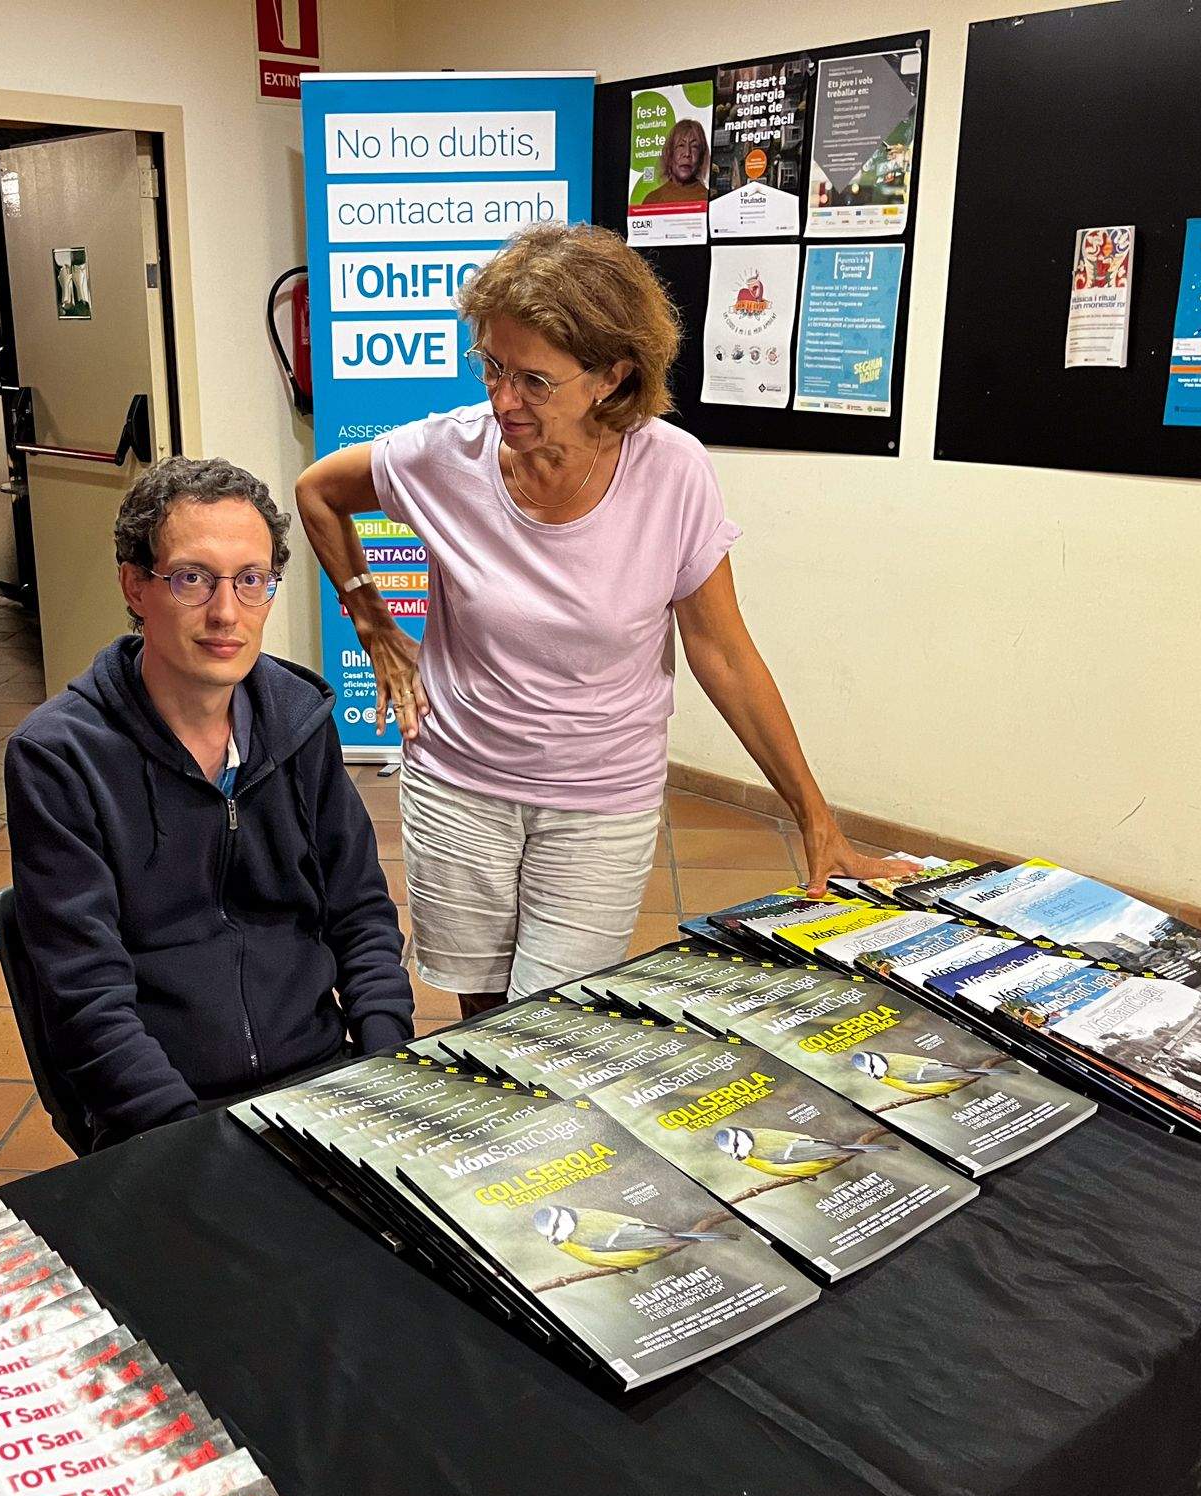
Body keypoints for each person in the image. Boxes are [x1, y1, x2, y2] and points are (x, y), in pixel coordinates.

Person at [295, 223, 912, 1016]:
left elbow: (722, 653)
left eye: (534, 381)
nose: (501, 399)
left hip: (598, 799)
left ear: (611, 376)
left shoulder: (671, 471)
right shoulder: (446, 455)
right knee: (487, 1020)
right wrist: (373, 625)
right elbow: (318, 493)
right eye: (492, 367)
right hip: (459, 785)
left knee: (553, 1026)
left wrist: (814, 818)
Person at [4, 457, 413, 1146]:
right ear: (135, 585)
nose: (227, 612)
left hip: (322, 1082)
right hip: (162, 1113)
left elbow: (362, 916)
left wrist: (380, 1068)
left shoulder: (299, 721)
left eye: (251, 581)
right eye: (192, 579)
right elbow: (86, 998)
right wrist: (184, 1139)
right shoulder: (60, 758)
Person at [640, 117, 710, 206]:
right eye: (681, 145)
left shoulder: (709, 200)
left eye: (694, 146)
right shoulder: (652, 200)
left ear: (701, 157)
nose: (687, 153)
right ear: (670, 154)